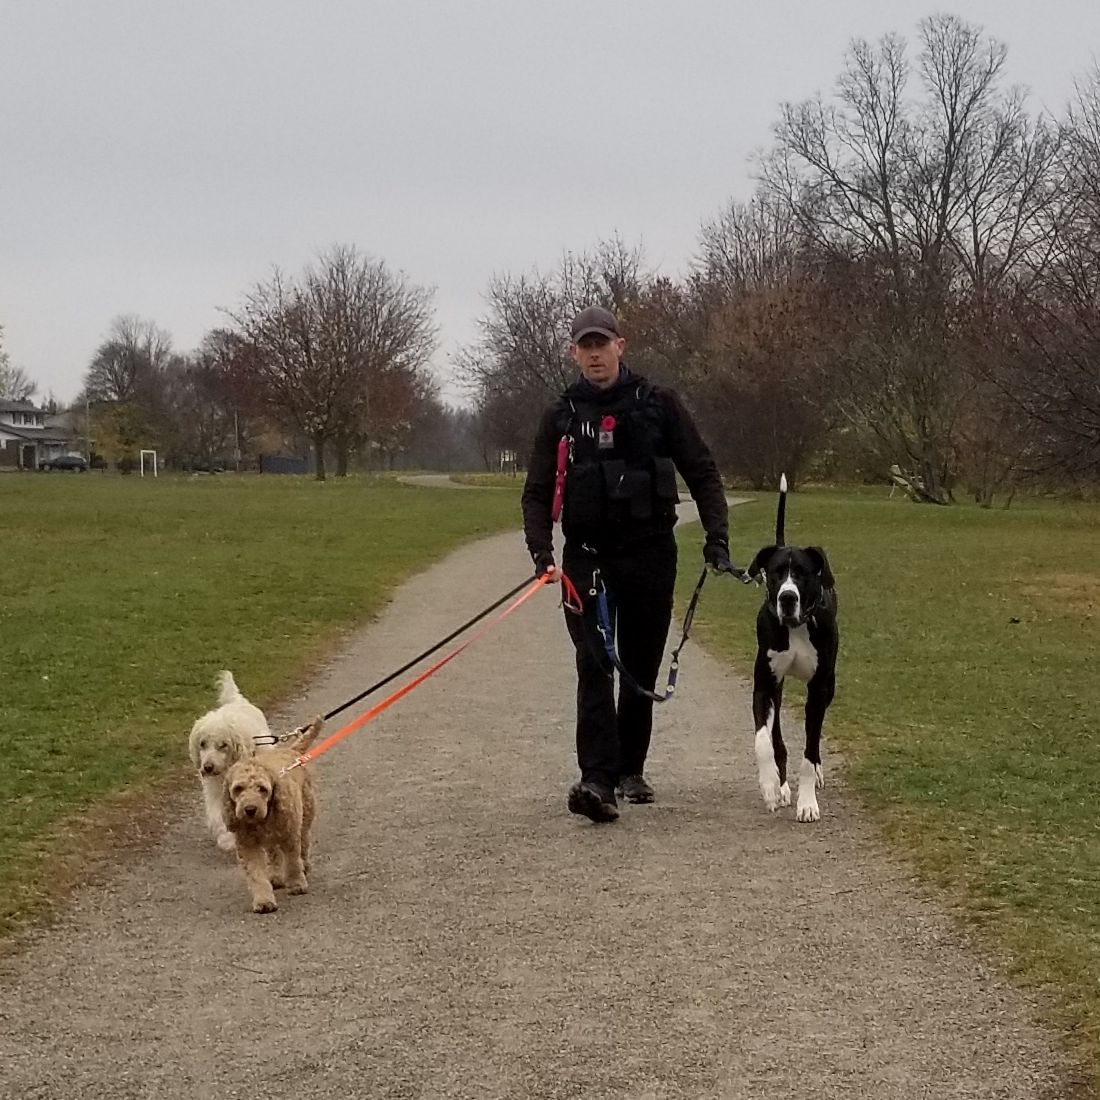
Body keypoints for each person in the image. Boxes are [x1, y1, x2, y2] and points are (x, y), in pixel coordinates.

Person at [521, 304, 732, 824]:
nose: (595, 354)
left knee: (640, 663)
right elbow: (537, 491)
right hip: (587, 558)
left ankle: (630, 768)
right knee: (594, 663)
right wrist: (541, 552)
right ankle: (597, 778)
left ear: (620, 345)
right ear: (573, 352)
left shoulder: (658, 404)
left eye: (603, 343)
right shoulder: (560, 416)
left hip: (650, 553)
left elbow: (702, 471)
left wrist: (717, 536)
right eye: (585, 346)